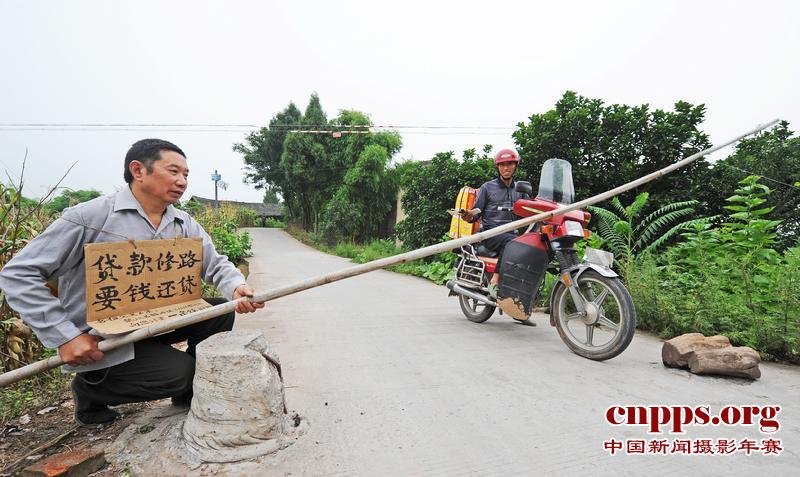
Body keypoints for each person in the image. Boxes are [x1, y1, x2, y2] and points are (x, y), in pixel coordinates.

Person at [0, 139, 265, 426]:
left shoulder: (183, 222)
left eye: (186, 175)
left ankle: (184, 389)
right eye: (173, 171)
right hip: (106, 338)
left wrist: (237, 286)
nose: (182, 181)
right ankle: (91, 389)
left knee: (220, 310)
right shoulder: (89, 218)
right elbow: (17, 274)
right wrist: (65, 335)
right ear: (138, 170)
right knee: (185, 373)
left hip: (157, 321)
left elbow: (214, 263)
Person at [460, 148, 530, 297]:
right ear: (497, 167)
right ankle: (495, 281)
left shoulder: (520, 189)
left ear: (515, 166)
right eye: (502, 164)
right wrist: (468, 216)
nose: (506, 168)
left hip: (512, 232)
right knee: (511, 243)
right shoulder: (487, 187)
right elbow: (476, 212)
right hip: (490, 233)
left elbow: (531, 210)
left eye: (509, 164)